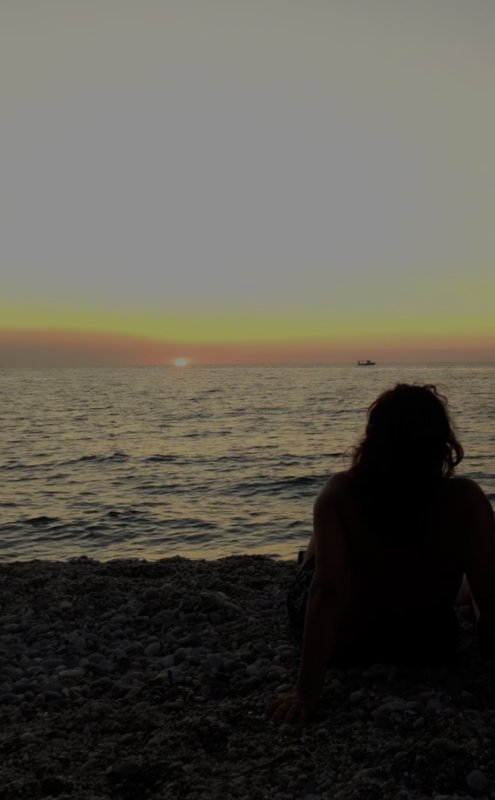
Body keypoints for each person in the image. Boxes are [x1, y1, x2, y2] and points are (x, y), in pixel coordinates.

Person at [268, 383, 495, 723]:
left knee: (321, 548)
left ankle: (310, 557)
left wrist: (307, 692)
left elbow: (327, 590)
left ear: (373, 439)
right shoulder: (467, 498)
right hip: (429, 643)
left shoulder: (341, 492)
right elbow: (489, 593)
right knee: (472, 571)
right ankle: (461, 592)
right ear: (442, 442)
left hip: (352, 643)